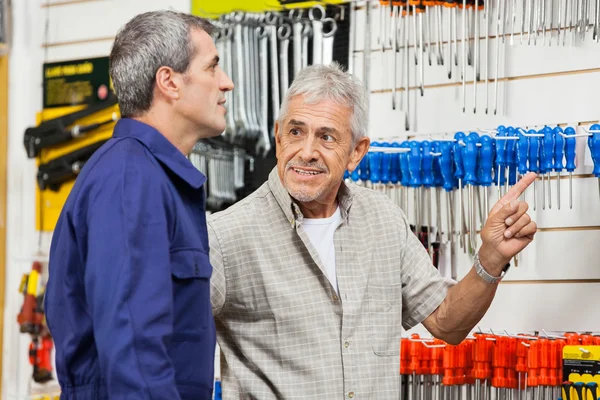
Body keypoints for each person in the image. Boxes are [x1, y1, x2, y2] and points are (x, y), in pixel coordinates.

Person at [207, 63, 537, 399]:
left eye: (326, 137)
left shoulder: (383, 221)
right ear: (277, 136)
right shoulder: (224, 236)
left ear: (356, 152)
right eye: (295, 132)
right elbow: (164, 341)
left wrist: (491, 259)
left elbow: (447, 323)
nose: (306, 152)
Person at [44, 10, 233, 400]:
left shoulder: (151, 175)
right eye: (212, 67)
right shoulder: (132, 178)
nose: (226, 83)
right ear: (169, 82)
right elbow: (132, 345)